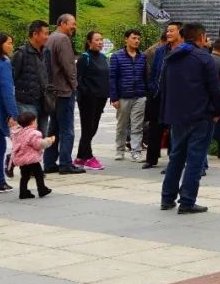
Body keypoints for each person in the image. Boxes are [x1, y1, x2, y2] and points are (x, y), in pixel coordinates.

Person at [160, 23, 220, 214]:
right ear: (202, 37)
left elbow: (163, 87)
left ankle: (167, 197)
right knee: (195, 159)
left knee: (176, 157)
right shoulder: (204, 58)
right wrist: (218, 112)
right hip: (200, 115)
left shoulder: (171, 57)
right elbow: (215, 89)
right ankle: (187, 201)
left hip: (177, 115)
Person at [44, 14, 83, 174]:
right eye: (72, 24)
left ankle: (49, 162)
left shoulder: (50, 38)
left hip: (53, 91)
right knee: (67, 129)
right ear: (63, 23)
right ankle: (66, 163)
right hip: (64, 91)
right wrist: (74, 86)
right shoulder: (63, 39)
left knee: (53, 128)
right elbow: (69, 66)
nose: (74, 27)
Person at [144, 22, 182, 169]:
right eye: (167, 31)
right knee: (154, 126)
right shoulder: (160, 51)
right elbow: (153, 72)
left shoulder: (183, 51)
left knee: (174, 128)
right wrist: (152, 87)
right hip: (157, 94)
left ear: (180, 33)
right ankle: (151, 159)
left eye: (172, 31)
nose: (168, 33)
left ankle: (174, 160)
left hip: (175, 96)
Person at [110, 29, 148, 162]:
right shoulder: (116, 56)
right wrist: (114, 97)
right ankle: (119, 150)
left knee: (137, 125)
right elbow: (112, 77)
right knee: (122, 125)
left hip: (140, 96)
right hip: (123, 96)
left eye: (138, 38)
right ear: (126, 39)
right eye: (134, 38)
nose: (137, 41)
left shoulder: (142, 56)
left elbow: (145, 76)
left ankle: (136, 152)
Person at [74, 31, 110, 170]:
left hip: (100, 98)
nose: (100, 42)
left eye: (101, 39)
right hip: (88, 99)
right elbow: (78, 78)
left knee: (92, 128)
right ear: (89, 42)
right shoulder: (84, 58)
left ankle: (80, 157)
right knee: (88, 128)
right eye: (97, 40)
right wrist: (85, 93)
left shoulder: (102, 57)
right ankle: (88, 157)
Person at [11, 20, 51, 134]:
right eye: (45, 33)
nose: (47, 37)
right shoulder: (20, 54)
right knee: (29, 135)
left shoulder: (46, 52)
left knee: (42, 135)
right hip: (25, 102)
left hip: (43, 102)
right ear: (35, 34)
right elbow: (11, 79)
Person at [0, 32, 18, 193]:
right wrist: (13, 113)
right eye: (8, 43)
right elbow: (7, 91)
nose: (11, 46)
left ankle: (0, 181)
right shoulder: (2, 63)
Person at [10, 111, 53, 199]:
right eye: (36, 121)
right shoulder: (33, 133)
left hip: (22, 159)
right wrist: (48, 141)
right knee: (39, 175)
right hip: (32, 159)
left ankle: (23, 192)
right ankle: (42, 189)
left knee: (25, 176)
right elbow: (38, 145)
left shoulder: (17, 133)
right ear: (32, 122)